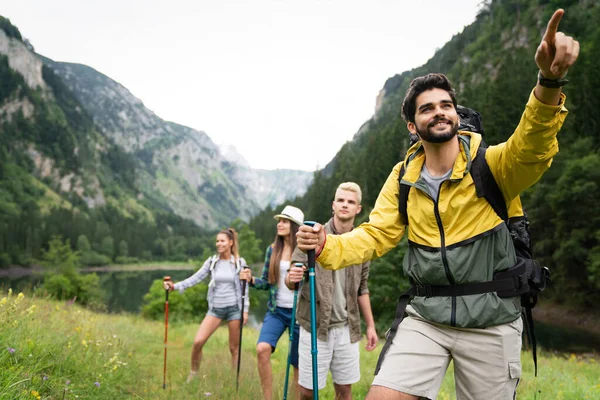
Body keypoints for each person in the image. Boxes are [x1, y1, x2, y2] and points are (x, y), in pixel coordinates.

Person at [296, 9, 579, 400]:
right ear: (413, 127)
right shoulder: (402, 178)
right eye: (427, 108)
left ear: (456, 115)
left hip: (492, 319)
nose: (439, 111)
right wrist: (328, 245)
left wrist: (548, 83)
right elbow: (376, 235)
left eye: (445, 104)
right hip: (426, 316)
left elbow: (532, 149)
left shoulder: (492, 164)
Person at [288, 182, 378, 400]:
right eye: (341, 200)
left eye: (350, 202)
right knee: (308, 392)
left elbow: (362, 288)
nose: (345, 205)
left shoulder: (361, 242)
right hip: (315, 325)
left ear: (358, 208)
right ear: (333, 205)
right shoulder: (312, 235)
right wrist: (291, 277)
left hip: (347, 328)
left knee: (345, 391)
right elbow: (292, 277)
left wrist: (371, 326)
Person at [164, 228, 249, 383]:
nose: (219, 244)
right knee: (197, 342)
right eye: (217, 241)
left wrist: (246, 310)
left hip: (234, 309)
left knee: (234, 348)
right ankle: (194, 373)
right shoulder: (212, 262)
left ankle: (235, 379)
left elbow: (245, 288)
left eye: (222, 241)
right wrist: (175, 286)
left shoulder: (239, 262)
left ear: (230, 243)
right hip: (215, 309)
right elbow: (196, 278)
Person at [240, 205, 305, 400]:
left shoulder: (304, 250)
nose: (280, 224)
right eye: (279, 220)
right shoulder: (272, 250)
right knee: (262, 349)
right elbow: (267, 283)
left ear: (294, 225)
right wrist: (251, 280)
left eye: (285, 221)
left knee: (298, 364)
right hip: (276, 311)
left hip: (299, 314)